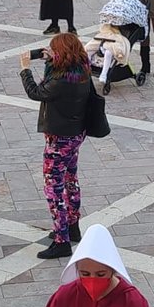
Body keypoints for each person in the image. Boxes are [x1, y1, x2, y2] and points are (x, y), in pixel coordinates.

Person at [20, 32, 95, 259]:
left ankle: (61, 240)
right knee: (71, 179)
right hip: (75, 134)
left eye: (54, 50)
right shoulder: (81, 69)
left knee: (53, 187)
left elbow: (37, 92)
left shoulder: (61, 80)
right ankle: (72, 227)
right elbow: (53, 83)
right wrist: (50, 61)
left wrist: (25, 69)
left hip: (59, 139)